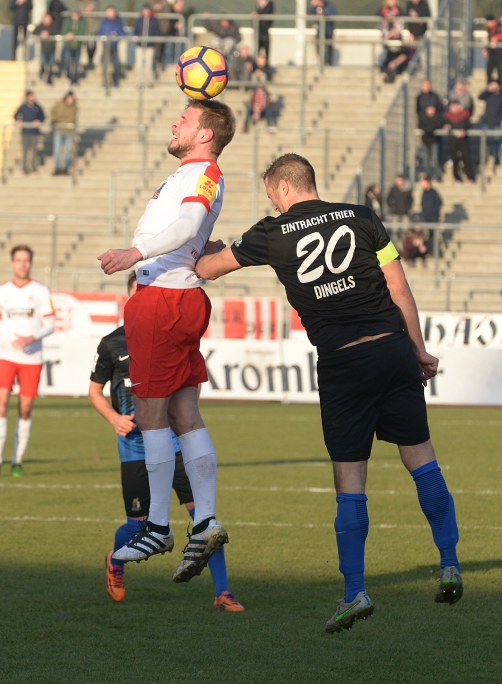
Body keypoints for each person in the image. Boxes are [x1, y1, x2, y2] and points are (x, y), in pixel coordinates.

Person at [194, 152, 463, 633]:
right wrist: (419, 350)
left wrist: (205, 245)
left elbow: (208, 270)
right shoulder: (363, 217)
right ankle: (449, 562)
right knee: (421, 459)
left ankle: (355, 591)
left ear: (282, 187)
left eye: (271, 194)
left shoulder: (271, 232)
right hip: (393, 349)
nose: (272, 203)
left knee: (350, 482)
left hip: (344, 360)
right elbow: (399, 288)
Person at [97, 99, 236, 584]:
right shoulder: (190, 173)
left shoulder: (205, 173)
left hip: (163, 301)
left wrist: (135, 252)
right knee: (183, 414)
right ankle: (205, 521)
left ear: (205, 134)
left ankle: (157, 525)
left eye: (185, 119)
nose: (175, 123)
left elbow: (189, 226)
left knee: (152, 416)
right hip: (175, 298)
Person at [90, 272, 244, 612]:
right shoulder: (112, 343)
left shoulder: (169, 339)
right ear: (130, 299)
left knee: (204, 520)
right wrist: (115, 418)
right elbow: (94, 391)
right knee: (137, 524)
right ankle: (114, 561)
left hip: (175, 449)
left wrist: (183, 418)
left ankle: (223, 592)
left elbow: (189, 386)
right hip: (133, 449)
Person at [0, 245, 55, 478]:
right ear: (12, 263)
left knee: (25, 408)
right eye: (18, 260)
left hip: (32, 358)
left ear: (30, 264)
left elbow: (50, 324)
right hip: (5, 355)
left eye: (26, 261)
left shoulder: (41, 291)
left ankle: (17, 460)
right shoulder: (1, 292)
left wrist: (33, 336)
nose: (22, 264)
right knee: (1, 403)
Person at [444, 100, 475, 183]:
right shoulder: (448, 115)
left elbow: (468, 124)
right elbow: (444, 123)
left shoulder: (464, 114)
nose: (455, 108)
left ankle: (470, 176)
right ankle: (457, 177)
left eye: (457, 106)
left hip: (463, 140)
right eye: (454, 106)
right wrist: (446, 127)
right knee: (454, 158)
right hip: (453, 140)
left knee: (466, 157)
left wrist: (464, 130)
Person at [478, 80, 502, 166]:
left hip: (496, 123)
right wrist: (487, 90)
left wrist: (499, 119)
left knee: (497, 140)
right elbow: (480, 97)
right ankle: (483, 158)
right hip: (487, 122)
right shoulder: (488, 95)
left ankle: (496, 157)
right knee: (484, 141)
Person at [14, 91, 44, 174]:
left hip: (34, 132)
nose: (32, 98)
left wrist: (39, 121)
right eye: (31, 96)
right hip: (25, 132)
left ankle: (33, 168)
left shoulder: (37, 107)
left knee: (34, 151)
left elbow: (42, 116)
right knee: (25, 151)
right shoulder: (23, 107)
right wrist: (18, 120)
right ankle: (24, 168)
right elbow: (16, 115)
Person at [97, 6, 125, 88]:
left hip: (114, 45)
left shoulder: (118, 22)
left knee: (116, 64)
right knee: (105, 64)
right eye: (108, 12)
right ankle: (105, 81)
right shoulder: (104, 22)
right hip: (106, 46)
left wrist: (118, 37)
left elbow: (122, 32)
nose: (110, 14)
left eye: (111, 12)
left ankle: (115, 81)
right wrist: (103, 37)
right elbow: (99, 32)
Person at [50, 91, 77, 176]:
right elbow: (53, 114)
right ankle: (57, 168)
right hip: (59, 130)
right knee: (57, 150)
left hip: (69, 131)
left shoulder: (74, 107)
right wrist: (54, 121)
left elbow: (72, 118)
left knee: (67, 151)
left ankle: (66, 168)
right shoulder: (59, 105)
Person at [483, 15, 502, 84]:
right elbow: (489, 40)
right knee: (489, 69)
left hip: (500, 51)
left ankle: (501, 85)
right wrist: (486, 49)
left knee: (500, 69)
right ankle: (489, 84)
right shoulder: (489, 29)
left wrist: (497, 38)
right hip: (492, 52)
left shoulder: (501, 26)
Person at [134, 6, 161, 83]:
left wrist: (154, 41)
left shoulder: (154, 21)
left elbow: (158, 31)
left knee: (148, 65)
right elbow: (135, 30)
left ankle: (148, 81)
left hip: (150, 46)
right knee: (139, 64)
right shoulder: (139, 20)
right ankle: (139, 81)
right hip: (140, 46)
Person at [60, 8, 87, 85]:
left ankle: (75, 79)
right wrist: (68, 35)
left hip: (78, 46)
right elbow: (64, 30)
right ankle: (68, 76)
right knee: (67, 60)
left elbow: (82, 32)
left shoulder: (83, 22)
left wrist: (73, 35)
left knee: (77, 63)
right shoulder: (67, 21)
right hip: (68, 45)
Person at [417, 104, 443, 181]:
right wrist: (429, 129)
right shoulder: (422, 117)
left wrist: (430, 129)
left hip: (434, 140)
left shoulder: (437, 117)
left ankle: (436, 175)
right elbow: (421, 126)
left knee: (435, 157)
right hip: (425, 141)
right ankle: (428, 175)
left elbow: (439, 125)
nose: (432, 111)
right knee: (426, 158)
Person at [34, 13, 58, 84]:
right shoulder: (40, 27)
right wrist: (41, 33)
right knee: (43, 63)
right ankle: (42, 72)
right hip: (43, 49)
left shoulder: (53, 26)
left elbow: (57, 32)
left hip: (52, 49)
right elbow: (34, 33)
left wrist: (48, 33)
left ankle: (49, 79)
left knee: (51, 64)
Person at [312, 0, 338, 66]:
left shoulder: (329, 5)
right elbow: (310, 14)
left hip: (328, 31)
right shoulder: (315, 7)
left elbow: (333, 13)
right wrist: (313, 6)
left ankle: (329, 64)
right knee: (320, 48)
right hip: (319, 31)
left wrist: (324, 12)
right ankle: (322, 63)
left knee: (329, 47)